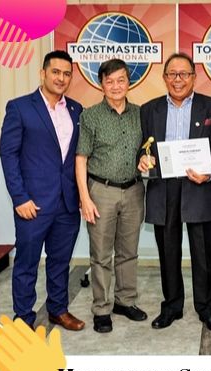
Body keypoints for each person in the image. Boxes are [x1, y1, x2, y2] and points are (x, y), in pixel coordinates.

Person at [138, 53, 211, 333]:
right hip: (163, 189)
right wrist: (143, 160)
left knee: (203, 253)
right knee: (168, 251)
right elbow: (142, 147)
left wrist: (209, 172)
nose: (178, 80)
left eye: (184, 74)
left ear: (194, 77)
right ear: (164, 78)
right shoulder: (148, 110)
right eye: (172, 74)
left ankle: (208, 308)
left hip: (198, 186)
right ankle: (172, 306)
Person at [0, 50, 85, 331]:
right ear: (43, 73)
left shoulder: (77, 110)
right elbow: (9, 155)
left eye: (67, 74)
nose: (61, 78)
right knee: (27, 263)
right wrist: (19, 198)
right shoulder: (20, 107)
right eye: (56, 72)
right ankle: (23, 318)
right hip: (32, 203)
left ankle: (58, 310)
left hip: (67, 203)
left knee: (60, 261)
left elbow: (77, 156)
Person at [76, 59, 146, 334]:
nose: (116, 86)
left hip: (134, 190)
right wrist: (85, 198)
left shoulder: (140, 114)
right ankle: (102, 308)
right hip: (101, 191)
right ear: (101, 85)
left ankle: (125, 301)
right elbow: (81, 158)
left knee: (128, 252)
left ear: (129, 82)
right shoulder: (90, 116)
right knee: (101, 255)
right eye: (110, 81)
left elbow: (147, 149)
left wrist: (147, 159)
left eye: (121, 80)